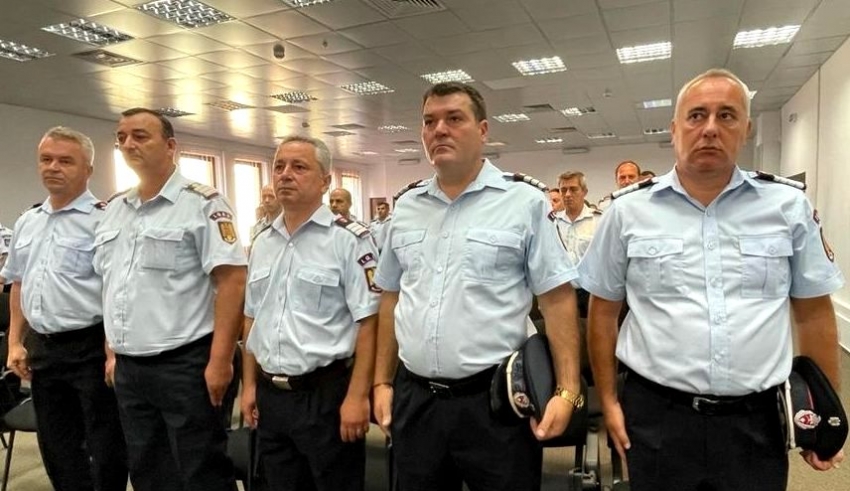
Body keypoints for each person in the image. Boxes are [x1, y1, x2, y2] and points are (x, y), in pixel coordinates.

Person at [580, 68, 845, 491]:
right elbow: (603, 312)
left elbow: (813, 314)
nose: (709, 128)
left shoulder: (787, 206)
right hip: (657, 416)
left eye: (726, 115)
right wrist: (608, 400)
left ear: (746, 128)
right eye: (696, 115)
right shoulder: (626, 212)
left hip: (757, 420)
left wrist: (825, 413)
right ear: (674, 129)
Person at [372, 82, 582, 491]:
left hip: (494, 402)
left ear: (483, 130)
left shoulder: (524, 202)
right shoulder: (407, 207)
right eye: (429, 122)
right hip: (416, 401)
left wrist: (568, 388)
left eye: (454, 118)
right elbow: (391, 297)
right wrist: (381, 382)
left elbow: (556, 298)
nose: (439, 130)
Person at [94, 108, 247, 491]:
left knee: (200, 469)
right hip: (130, 367)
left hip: (185, 364)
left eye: (140, 135)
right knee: (147, 468)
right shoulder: (115, 210)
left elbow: (232, 282)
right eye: (122, 137)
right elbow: (114, 285)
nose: (129, 144)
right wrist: (112, 352)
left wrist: (220, 361)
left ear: (170, 145)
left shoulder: (203, 203)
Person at [240, 135, 380, 491]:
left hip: (326, 394)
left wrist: (357, 396)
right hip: (271, 394)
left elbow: (369, 323)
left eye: (299, 167)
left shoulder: (349, 240)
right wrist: (250, 385)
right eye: (279, 166)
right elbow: (252, 318)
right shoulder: (263, 242)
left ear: (325, 181)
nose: (285, 174)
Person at [2, 126, 128, 491]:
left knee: (105, 444)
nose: (53, 167)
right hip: (43, 347)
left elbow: (116, 289)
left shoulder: (104, 220)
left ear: (88, 169)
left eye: (65, 161)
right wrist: (15, 341)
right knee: (57, 444)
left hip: (91, 346)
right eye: (46, 159)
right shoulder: (28, 221)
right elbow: (18, 283)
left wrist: (112, 351)